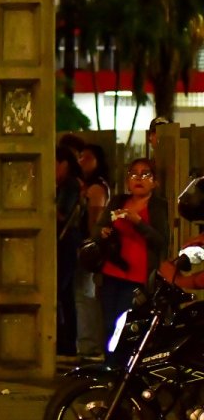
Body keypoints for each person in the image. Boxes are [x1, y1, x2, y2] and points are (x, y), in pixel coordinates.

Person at [97, 158, 169, 347]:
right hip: (112, 270)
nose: (139, 178)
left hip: (137, 276)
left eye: (145, 174)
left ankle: (124, 366)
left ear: (155, 182)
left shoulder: (158, 206)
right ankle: (109, 365)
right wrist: (103, 232)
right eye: (134, 174)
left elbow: (160, 240)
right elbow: (99, 227)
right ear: (128, 180)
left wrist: (138, 222)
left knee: (126, 324)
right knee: (107, 322)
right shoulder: (118, 201)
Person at [76, 144, 110, 358]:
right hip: (87, 248)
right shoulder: (88, 185)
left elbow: (94, 221)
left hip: (89, 250)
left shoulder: (96, 188)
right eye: (80, 157)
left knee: (86, 297)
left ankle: (90, 345)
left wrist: (90, 246)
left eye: (87, 157)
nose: (82, 161)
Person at [55, 146, 85, 356]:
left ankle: (66, 340)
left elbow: (62, 214)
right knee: (65, 293)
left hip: (67, 241)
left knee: (60, 290)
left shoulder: (70, 184)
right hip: (65, 240)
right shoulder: (68, 184)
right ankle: (67, 342)